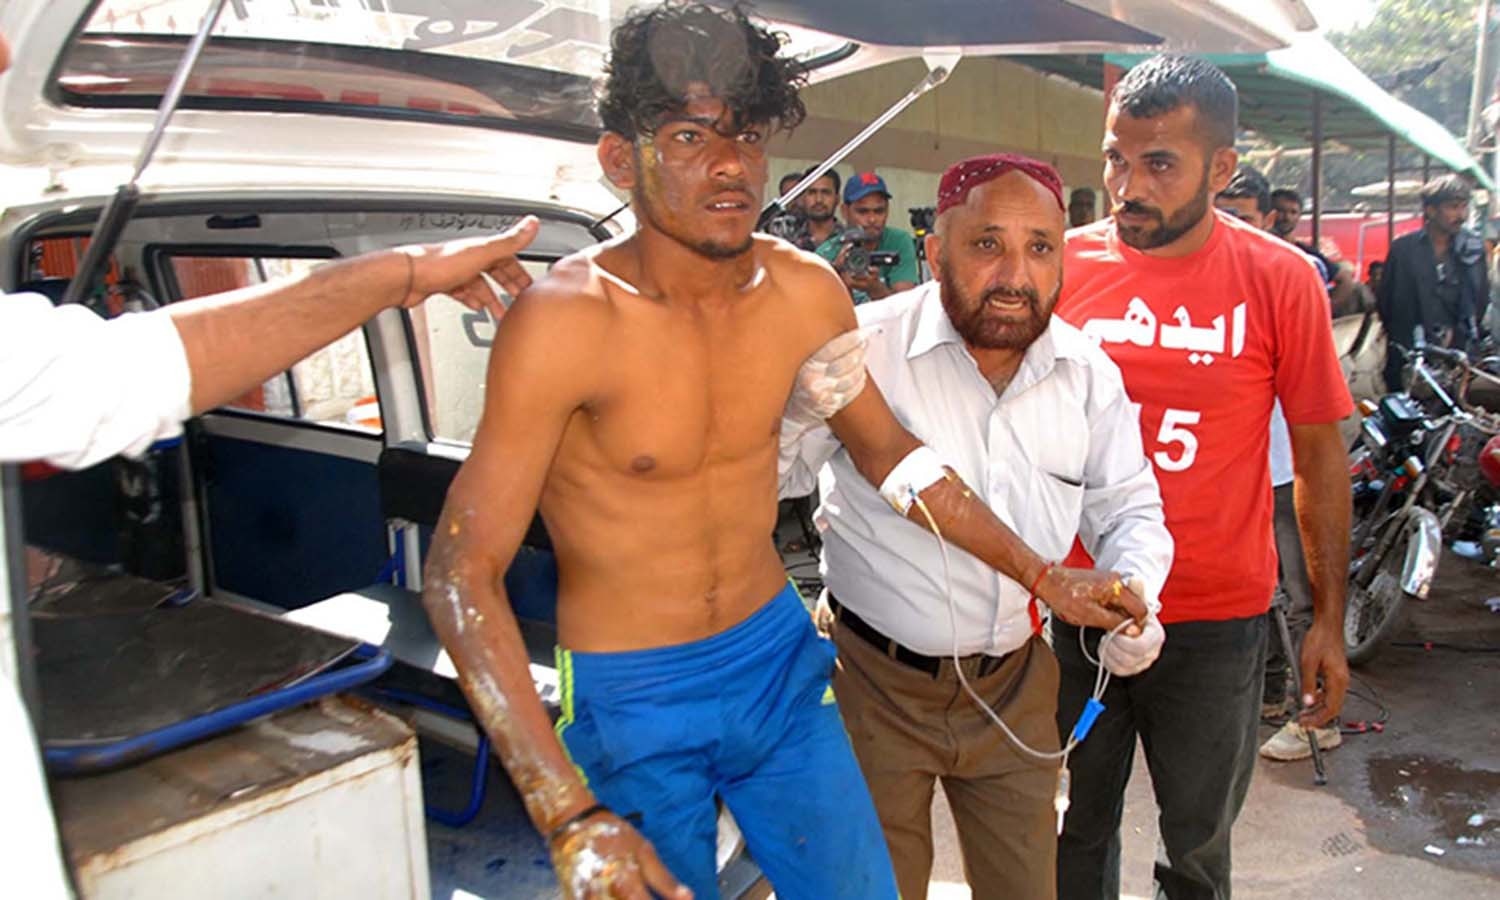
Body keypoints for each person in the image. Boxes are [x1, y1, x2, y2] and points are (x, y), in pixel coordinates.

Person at [416, 6, 1144, 900]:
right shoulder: (564, 324)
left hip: (777, 663)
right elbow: (461, 573)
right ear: (619, 158)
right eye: (690, 135)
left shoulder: (804, 293)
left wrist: (1044, 576)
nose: (729, 166)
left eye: (747, 135)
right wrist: (564, 809)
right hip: (630, 686)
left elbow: (894, 459)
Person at [781, 154, 1172, 900]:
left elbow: (1129, 507)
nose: (1015, 275)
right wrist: (801, 408)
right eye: (987, 244)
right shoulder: (865, 348)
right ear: (935, 250)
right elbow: (778, 481)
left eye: (1040, 248)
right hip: (871, 679)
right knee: (872, 887)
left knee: (1025, 886)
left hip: (1017, 684)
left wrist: (1137, 593)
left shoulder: (1088, 376)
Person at [1055, 54, 1353, 899]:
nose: (1127, 184)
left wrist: (1326, 618)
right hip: (1076, 605)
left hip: (1218, 622)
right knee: (1072, 834)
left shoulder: (1282, 280)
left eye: (1158, 163)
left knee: (1196, 851)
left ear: (1221, 169)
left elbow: (1320, 458)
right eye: (1116, 157)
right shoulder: (1063, 268)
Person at [1214, 166, 1345, 761]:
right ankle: (1269, 696)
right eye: (1224, 211)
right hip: (1234, 474)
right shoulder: (1205, 276)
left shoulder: (1291, 275)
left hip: (1285, 470)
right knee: (1252, 595)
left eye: (1242, 215)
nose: (1230, 226)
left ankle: (1317, 718)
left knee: (1298, 599)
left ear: (1268, 218)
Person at [1376, 174, 1489, 391]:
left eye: (1464, 207)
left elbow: (1479, 302)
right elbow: (1387, 303)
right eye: (1453, 207)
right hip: (1410, 353)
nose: (1461, 215)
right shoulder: (1403, 250)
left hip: (1456, 356)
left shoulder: (1473, 250)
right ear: (1430, 210)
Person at [816, 171, 920, 303]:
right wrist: (836, 274)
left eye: (879, 211)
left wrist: (876, 289)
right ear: (844, 211)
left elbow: (907, 307)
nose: (872, 219)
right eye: (862, 211)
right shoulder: (827, 252)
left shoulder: (899, 241)